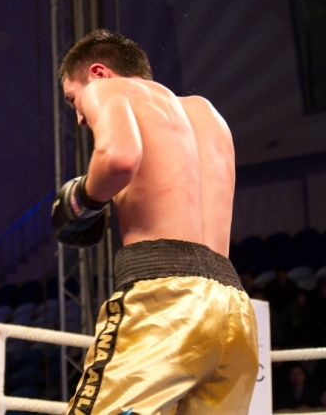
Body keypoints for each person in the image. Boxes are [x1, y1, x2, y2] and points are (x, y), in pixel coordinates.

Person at [51, 30, 258, 414]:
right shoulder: (208, 113)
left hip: (166, 302)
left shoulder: (109, 90)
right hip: (234, 311)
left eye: (72, 99)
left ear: (98, 73)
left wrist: (81, 200)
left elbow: (119, 159)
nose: (80, 116)